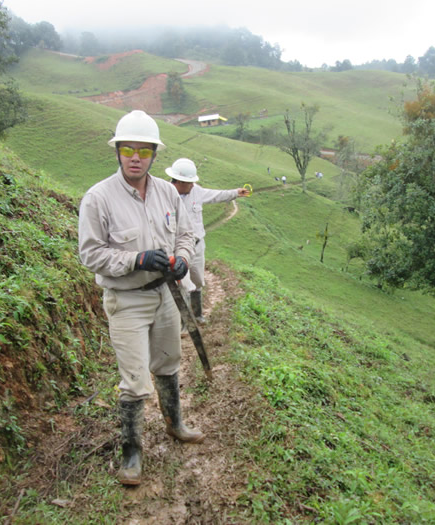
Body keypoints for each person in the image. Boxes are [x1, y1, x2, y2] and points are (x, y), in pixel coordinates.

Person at [78, 110, 204, 487]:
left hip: (166, 294)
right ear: (117, 151)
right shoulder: (98, 198)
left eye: (144, 150)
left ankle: (175, 423)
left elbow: (184, 234)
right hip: (126, 299)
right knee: (134, 380)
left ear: (154, 155)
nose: (136, 156)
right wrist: (134, 259)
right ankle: (131, 451)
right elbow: (90, 254)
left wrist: (181, 259)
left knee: (168, 362)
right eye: (128, 148)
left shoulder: (168, 192)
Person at [165, 158, 250, 323]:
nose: (192, 185)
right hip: (177, 249)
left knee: (197, 280)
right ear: (179, 181)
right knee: (182, 284)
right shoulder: (165, 195)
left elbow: (216, 195)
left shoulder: (196, 191)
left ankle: (197, 314)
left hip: (197, 246)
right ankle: (184, 323)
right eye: (189, 182)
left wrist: (236, 193)